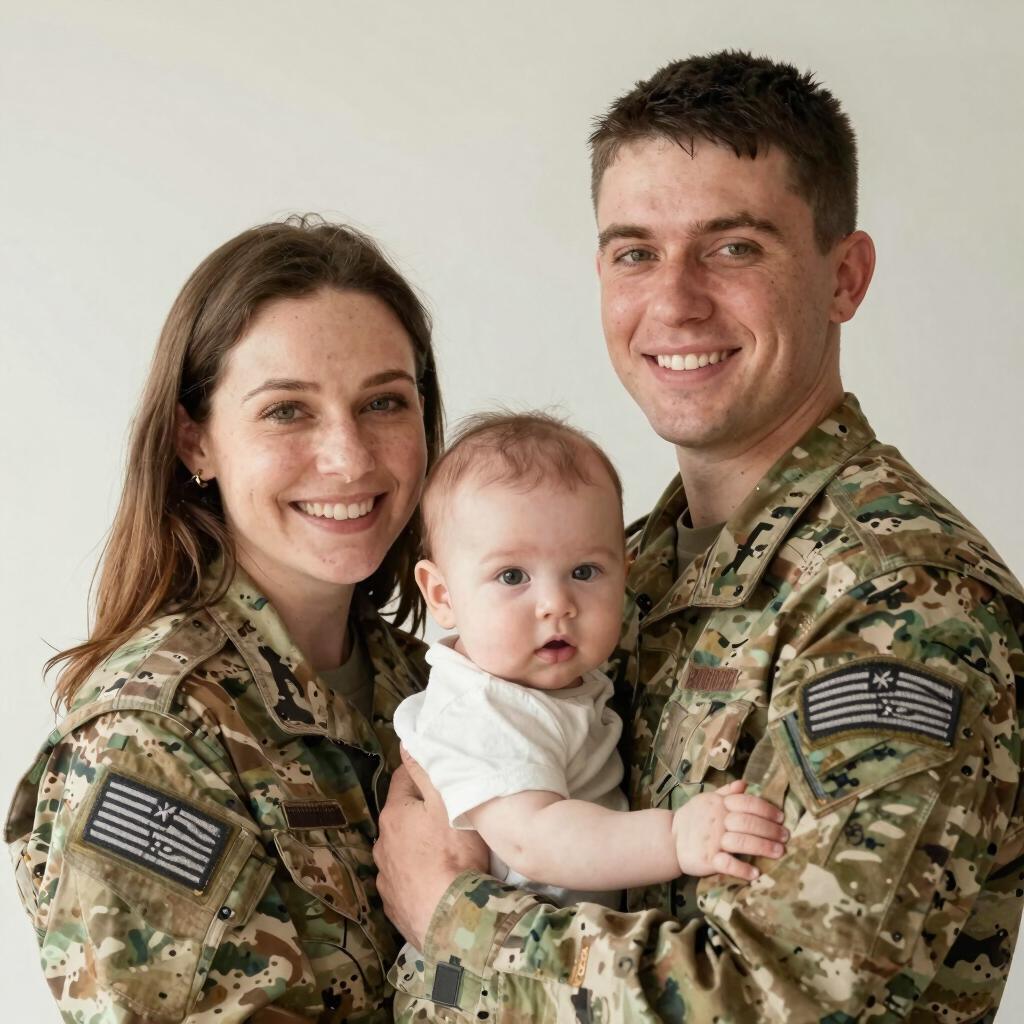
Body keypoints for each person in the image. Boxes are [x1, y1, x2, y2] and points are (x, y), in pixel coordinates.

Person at [374, 52, 1024, 1023]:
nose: (672, 301)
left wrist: (453, 920)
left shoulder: (898, 596)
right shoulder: (620, 572)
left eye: (732, 247)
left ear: (844, 277)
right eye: (634, 251)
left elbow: (794, 997)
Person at [6, 215, 446, 1023]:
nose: (349, 457)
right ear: (194, 442)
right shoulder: (152, 742)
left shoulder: (436, 686)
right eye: (287, 412)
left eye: (384, 401)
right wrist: (467, 945)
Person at [392, 411, 787, 927]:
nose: (556, 604)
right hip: (493, 985)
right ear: (443, 596)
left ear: (625, 571)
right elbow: (536, 839)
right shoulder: (481, 709)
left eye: (584, 571)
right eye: (512, 575)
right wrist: (676, 837)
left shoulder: (555, 682)